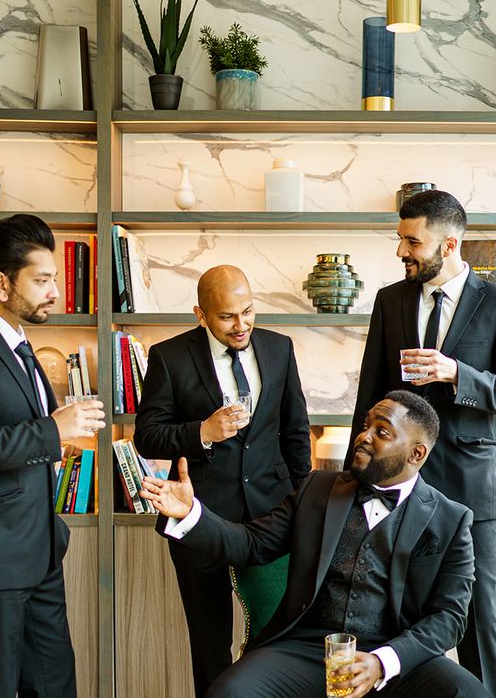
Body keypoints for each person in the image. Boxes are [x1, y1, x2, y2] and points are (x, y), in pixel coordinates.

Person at [141, 390, 490, 698]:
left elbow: (450, 617)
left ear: (416, 453)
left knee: (468, 693)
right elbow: (251, 543)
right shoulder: (317, 489)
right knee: (230, 692)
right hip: (307, 648)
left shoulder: (451, 519)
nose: (363, 437)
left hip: (394, 653)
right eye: (366, 425)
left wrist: (383, 663)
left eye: (381, 432)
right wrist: (192, 514)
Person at [347, 189, 496, 697]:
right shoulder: (390, 300)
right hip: (396, 490)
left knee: (477, 621)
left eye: (412, 241)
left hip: (470, 495)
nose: (401, 251)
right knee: (389, 614)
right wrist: (353, 479)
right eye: (400, 238)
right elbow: (370, 391)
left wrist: (458, 374)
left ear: (449, 245)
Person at [133, 264, 311, 695]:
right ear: (201, 315)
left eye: (248, 311)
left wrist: (304, 500)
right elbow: (146, 436)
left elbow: (295, 431)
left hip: (271, 515)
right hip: (199, 516)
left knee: (275, 634)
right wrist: (202, 433)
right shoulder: (169, 356)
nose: (241, 324)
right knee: (210, 642)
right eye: (228, 316)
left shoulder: (279, 348)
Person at [0, 214, 105, 698]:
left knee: (56, 686)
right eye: (41, 281)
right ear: (1, 283)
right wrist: (50, 430)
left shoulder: (19, 342)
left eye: (54, 280)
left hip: (41, 553)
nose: (54, 292)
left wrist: (57, 421)